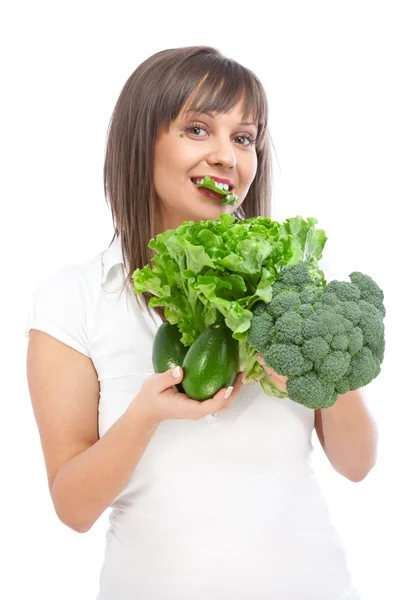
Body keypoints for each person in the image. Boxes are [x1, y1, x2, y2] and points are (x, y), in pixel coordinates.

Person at [25, 45, 365, 599]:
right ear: (142, 142)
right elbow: (73, 508)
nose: (227, 157)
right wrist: (143, 417)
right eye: (198, 129)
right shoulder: (75, 299)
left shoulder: (290, 289)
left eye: (244, 137)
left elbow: (357, 465)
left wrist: (315, 379)